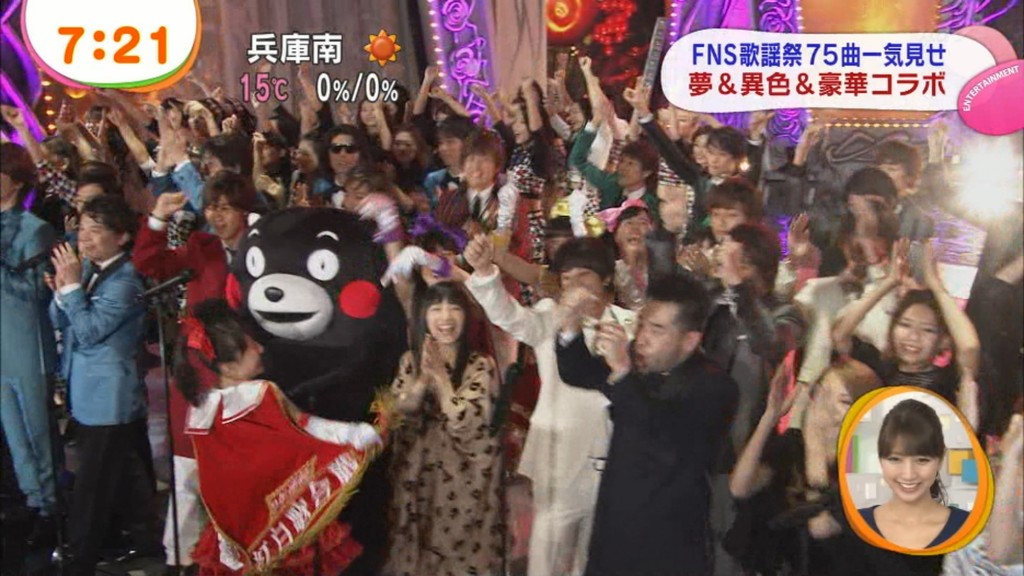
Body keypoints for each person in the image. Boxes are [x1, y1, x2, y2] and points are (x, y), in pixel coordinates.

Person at [463, 235, 637, 576]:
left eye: (583, 276)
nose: (574, 287)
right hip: (560, 458)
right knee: (549, 554)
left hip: (613, 456)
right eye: (566, 279)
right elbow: (509, 316)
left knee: (598, 554)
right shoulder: (550, 316)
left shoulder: (631, 325)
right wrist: (484, 272)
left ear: (605, 278)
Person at [173, 299, 382, 575]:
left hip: (237, 529)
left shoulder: (201, 414)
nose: (260, 348)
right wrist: (351, 434)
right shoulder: (261, 394)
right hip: (281, 519)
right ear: (228, 367)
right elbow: (306, 428)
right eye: (250, 346)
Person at [555, 271, 739, 576]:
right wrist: (571, 325)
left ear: (690, 340)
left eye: (657, 329)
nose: (642, 337)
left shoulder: (715, 386)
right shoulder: (640, 367)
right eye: (641, 324)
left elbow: (663, 437)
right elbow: (579, 372)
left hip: (668, 551)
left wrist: (623, 372)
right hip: (610, 542)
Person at [132, 171, 258, 571]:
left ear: (244, 210)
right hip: (201, 372)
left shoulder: (264, 248)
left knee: (242, 474)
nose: (217, 216)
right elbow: (149, 263)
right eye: (211, 208)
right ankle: (180, 557)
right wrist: (158, 218)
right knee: (189, 469)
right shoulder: (202, 247)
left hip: (249, 374)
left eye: (226, 208)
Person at [46, 194, 160, 575]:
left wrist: (70, 291)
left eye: (95, 231)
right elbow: (61, 321)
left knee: (92, 486)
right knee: (125, 473)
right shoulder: (88, 270)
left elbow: (90, 331)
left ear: (122, 236)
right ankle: (143, 540)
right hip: (89, 391)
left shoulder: (125, 281)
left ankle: (79, 559)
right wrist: (62, 289)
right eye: (82, 229)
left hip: (108, 397)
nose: (84, 238)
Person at [385, 281, 504, 576]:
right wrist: (424, 380)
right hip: (418, 468)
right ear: (424, 316)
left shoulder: (480, 364)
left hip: (464, 477)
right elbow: (399, 408)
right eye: (436, 309)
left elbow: (465, 419)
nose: (446, 317)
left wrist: (441, 379)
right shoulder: (410, 360)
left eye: (454, 309)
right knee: (416, 544)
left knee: (459, 550)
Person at [727, 359, 882, 575]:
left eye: (842, 400)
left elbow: (820, 527)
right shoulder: (793, 443)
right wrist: (769, 418)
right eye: (821, 392)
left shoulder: (868, 467)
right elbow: (740, 487)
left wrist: (815, 446)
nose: (825, 405)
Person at [832, 240, 980, 429]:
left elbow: (970, 348)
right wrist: (889, 282)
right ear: (892, 328)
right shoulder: (878, 369)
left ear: (943, 340)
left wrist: (936, 286)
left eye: (927, 330)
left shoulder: (947, 382)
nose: (913, 336)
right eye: (905, 325)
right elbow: (840, 334)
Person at [0, 142, 59, 546]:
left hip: (26, 339)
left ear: (16, 181)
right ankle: (31, 499)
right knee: (13, 430)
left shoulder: (34, 229)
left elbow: (37, 291)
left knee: (36, 427)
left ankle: (52, 506)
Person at [859, 398, 970, 550]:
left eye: (922, 460)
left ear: (941, 459)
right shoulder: (856, 525)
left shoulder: (966, 527)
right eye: (895, 459)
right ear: (880, 459)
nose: (908, 474)